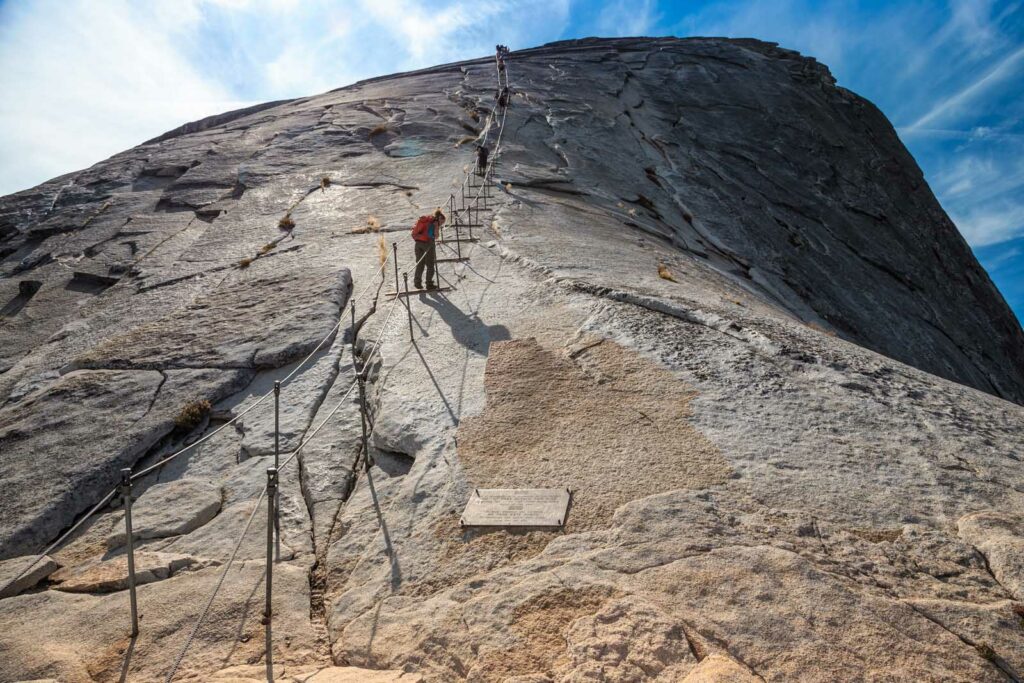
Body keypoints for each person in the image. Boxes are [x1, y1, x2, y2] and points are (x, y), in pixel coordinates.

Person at [412, 209, 445, 290]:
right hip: (428, 243)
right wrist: (437, 228)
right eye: (442, 222)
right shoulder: (434, 223)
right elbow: (435, 236)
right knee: (430, 264)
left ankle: (417, 283)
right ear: (439, 218)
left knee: (420, 263)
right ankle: (429, 284)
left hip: (418, 243)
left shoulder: (427, 220)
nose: (441, 224)